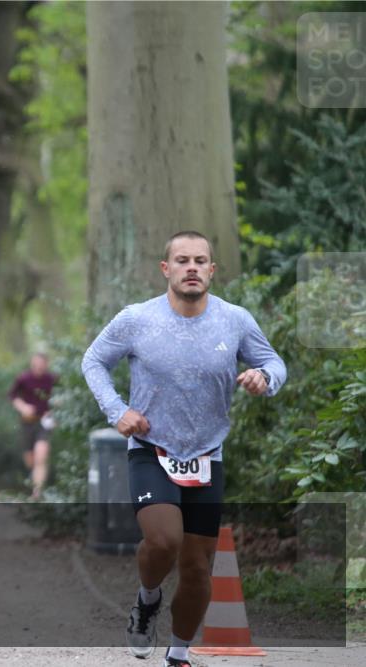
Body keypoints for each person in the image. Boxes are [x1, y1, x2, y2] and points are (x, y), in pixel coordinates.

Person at [81, 231, 286, 667]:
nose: (191, 268)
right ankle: (147, 598)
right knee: (163, 540)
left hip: (207, 454)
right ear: (166, 269)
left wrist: (264, 379)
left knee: (197, 567)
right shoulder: (137, 319)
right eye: (182, 260)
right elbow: (93, 361)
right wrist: (117, 409)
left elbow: (273, 362)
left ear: (212, 270)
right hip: (151, 447)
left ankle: (177, 653)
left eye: (200, 261)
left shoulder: (234, 320)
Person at [9, 352, 57, 500]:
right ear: (31, 364)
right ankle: (34, 476)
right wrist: (23, 407)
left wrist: (55, 412)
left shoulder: (52, 379)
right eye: (36, 364)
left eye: (42, 365)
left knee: (41, 455)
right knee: (30, 459)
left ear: (46, 365)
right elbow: (13, 396)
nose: (39, 367)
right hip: (28, 422)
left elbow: (62, 395)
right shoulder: (23, 378)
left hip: (44, 422)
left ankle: (37, 493)